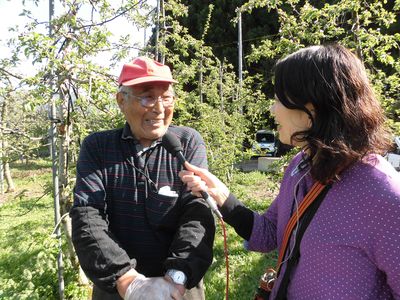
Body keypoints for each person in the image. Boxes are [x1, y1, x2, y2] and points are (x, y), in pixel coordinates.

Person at [179, 44, 400, 299]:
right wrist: (224, 198)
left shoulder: (384, 194)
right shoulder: (300, 167)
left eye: (279, 99)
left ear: (313, 109)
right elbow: (271, 234)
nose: (273, 110)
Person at [70, 56, 215, 300]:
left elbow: (197, 213)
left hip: (179, 289)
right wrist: (126, 280)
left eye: (166, 97)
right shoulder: (99, 147)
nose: (159, 109)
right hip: (117, 288)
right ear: (121, 101)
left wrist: (177, 278)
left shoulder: (187, 142)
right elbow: (87, 216)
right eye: (147, 97)